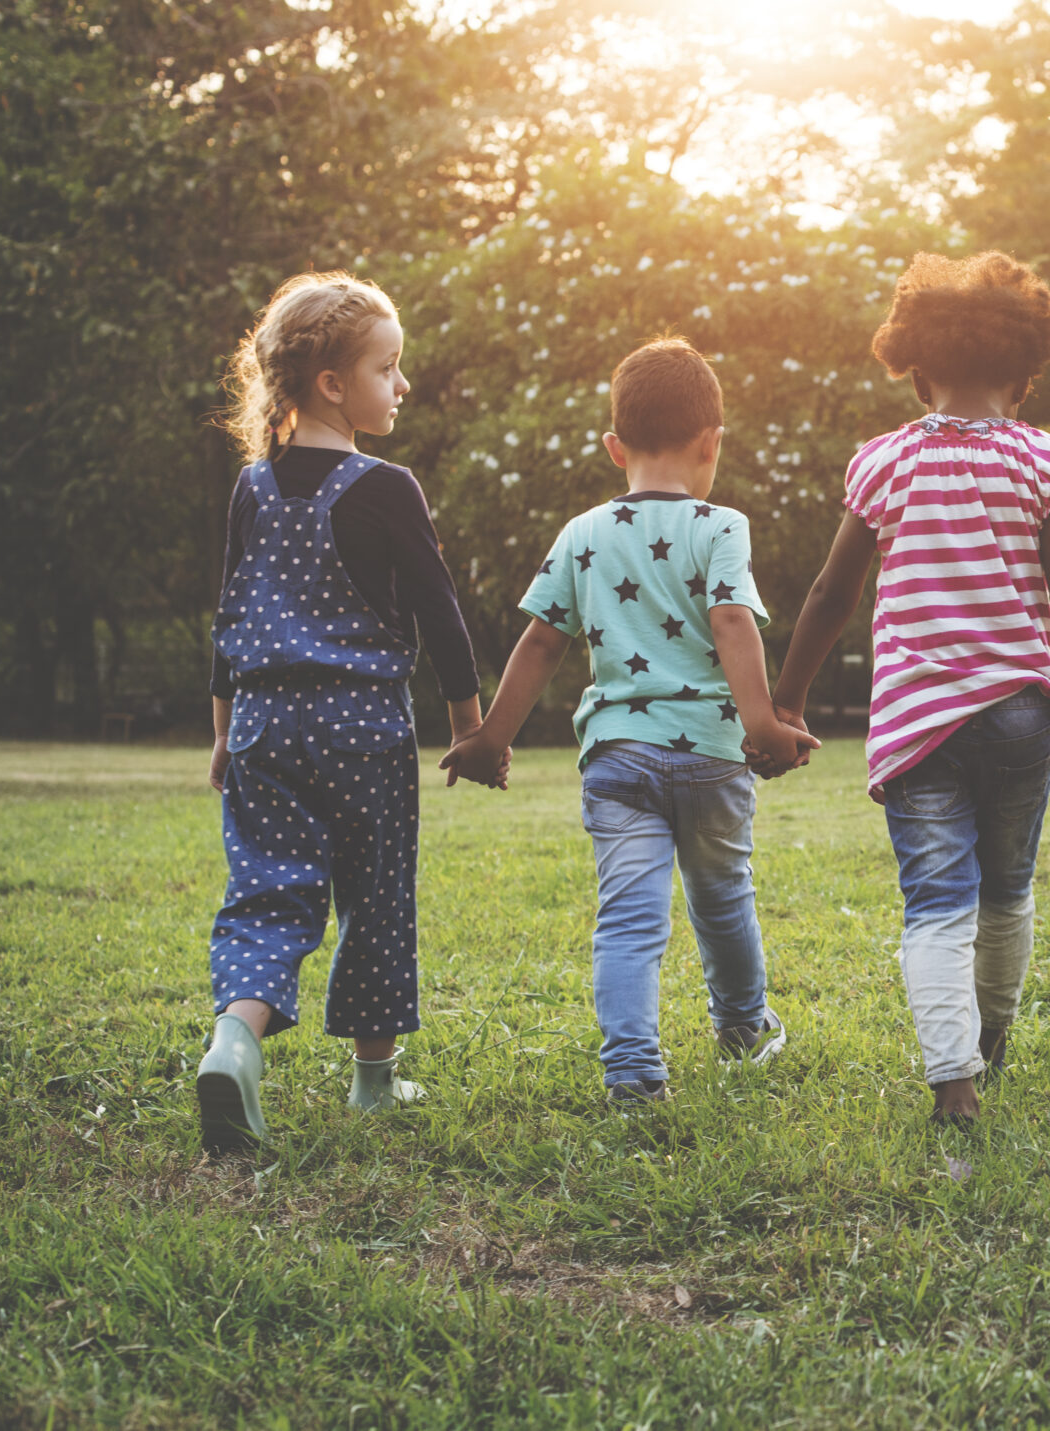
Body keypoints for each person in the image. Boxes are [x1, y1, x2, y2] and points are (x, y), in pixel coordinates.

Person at [751, 252, 1050, 1126]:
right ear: (1026, 371)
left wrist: (787, 703)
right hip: (1017, 717)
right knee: (1007, 889)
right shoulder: (1048, 461)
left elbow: (830, 594)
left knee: (935, 901)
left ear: (916, 368)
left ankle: (952, 1083)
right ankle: (991, 1039)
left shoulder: (882, 463)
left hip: (918, 723)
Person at [442, 338, 818, 1103]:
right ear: (712, 442)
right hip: (712, 756)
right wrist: (764, 726)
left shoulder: (583, 533)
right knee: (723, 900)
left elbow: (541, 641)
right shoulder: (721, 526)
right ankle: (744, 1028)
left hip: (618, 761)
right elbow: (732, 623)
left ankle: (634, 1074)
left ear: (615, 446)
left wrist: (490, 738)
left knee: (629, 919)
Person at [195, 271, 490, 1154]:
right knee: (375, 898)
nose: (402, 386)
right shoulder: (387, 485)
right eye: (388, 368)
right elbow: (440, 612)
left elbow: (230, 610)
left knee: (268, 895)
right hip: (362, 728)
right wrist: (469, 726)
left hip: (263, 725)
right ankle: (373, 1080)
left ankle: (235, 1040)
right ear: (333, 384)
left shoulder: (253, 486)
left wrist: (221, 732)